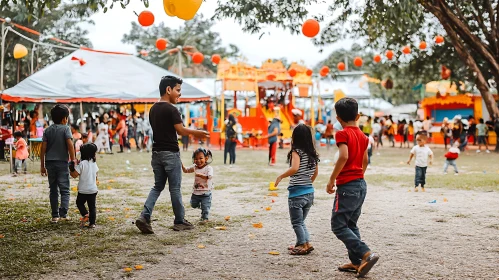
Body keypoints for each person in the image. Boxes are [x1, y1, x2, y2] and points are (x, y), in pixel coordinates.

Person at [135, 76, 209, 234]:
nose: (179, 94)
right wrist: (199, 133)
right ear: (168, 90)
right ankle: (179, 221)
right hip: (170, 153)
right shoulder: (172, 109)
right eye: (178, 90)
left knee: (157, 186)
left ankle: (144, 216)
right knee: (175, 188)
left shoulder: (153, 109)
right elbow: (181, 131)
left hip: (156, 154)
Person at [326, 98, 379, 277]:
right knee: (351, 224)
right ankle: (357, 262)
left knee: (338, 225)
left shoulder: (342, 134)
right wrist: (359, 176)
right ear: (357, 116)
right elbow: (365, 161)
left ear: (338, 118)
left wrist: (332, 179)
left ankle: (366, 253)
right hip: (360, 184)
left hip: (347, 185)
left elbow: (343, 157)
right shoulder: (364, 137)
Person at [274, 124, 319, 255]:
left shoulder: (296, 151)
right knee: (300, 222)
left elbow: (294, 168)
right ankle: (305, 242)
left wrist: (281, 176)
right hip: (309, 193)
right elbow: (315, 173)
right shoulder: (312, 154)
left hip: (297, 193)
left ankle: (302, 245)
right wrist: (307, 185)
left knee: (297, 222)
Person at [40, 104, 76, 223]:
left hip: (50, 163)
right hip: (62, 163)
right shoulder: (66, 129)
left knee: (53, 189)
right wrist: (73, 159)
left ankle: (54, 216)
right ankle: (63, 214)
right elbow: (70, 145)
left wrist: (42, 165)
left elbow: (43, 149)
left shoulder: (47, 130)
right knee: (64, 189)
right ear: (64, 119)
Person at [70, 143, 99, 228]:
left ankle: (85, 214)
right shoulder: (94, 163)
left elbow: (74, 175)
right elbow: (96, 173)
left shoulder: (82, 164)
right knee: (92, 207)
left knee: (79, 203)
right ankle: (92, 223)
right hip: (93, 190)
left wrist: (72, 166)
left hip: (83, 190)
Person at [182, 148, 214, 223]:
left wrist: (201, 175)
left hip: (206, 192)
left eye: (201, 158)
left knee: (205, 207)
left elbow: (210, 176)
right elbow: (186, 170)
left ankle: (205, 218)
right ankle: (201, 205)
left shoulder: (209, 168)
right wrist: (182, 166)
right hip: (196, 192)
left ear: (206, 158)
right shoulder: (195, 167)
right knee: (193, 204)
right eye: (196, 159)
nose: (198, 161)